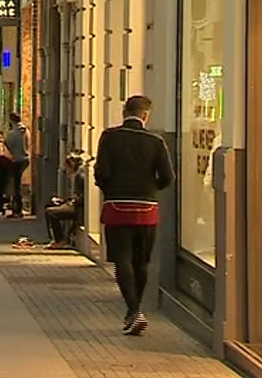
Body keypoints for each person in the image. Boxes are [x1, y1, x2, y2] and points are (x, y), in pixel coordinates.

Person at [94, 95, 175, 336]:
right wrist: (149, 191)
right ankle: (135, 311)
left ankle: (134, 310)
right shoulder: (155, 141)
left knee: (122, 259)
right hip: (146, 208)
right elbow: (168, 177)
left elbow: (101, 172)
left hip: (117, 206)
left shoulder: (109, 137)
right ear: (146, 115)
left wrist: (110, 190)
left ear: (123, 111)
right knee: (142, 261)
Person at [45, 152, 87, 249]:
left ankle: (59, 239)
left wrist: (71, 202)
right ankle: (56, 238)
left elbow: (82, 196)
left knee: (50, 212)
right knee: (50, 206)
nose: (65, 169)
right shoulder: (77, 175)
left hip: (78, 208)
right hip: (75, 204)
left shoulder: (80, 176)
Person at [5, 112, 31, 218]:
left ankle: (17, 209)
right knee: (18, 184)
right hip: (25, 159)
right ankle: (18, 208)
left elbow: (8, 146)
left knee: (15, 185)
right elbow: (28, 143)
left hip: (16, 160)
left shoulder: (11, 133)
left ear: (11, 120)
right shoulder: (26, 131)